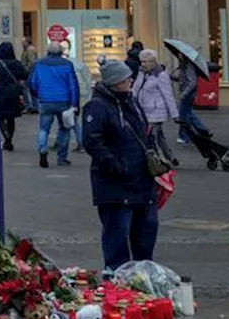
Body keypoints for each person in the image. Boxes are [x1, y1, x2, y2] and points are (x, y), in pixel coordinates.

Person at [82, 59, 159, 273]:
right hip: (115, 184)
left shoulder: (131, 102)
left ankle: (143, 279)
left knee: (146, 235)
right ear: (115, 82)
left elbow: (144, 135)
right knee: (117, 236)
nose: (131, 80)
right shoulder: (97, 107)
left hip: (142, 180)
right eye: (126, 78)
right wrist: (116, 165)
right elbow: (92, 141)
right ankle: (116, 280)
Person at [28, 42, 80, 168]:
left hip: (46, 100)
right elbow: (73, 86)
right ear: (60, 51)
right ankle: (62, 158)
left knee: (44, 129)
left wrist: (38, 95)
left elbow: (32, 82)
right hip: (64, 101)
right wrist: (75, 104)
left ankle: (43, 150)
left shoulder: (39, 64)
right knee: (65, 129)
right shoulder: (67, 65)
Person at [133, 49, 180, 166]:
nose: (142, 64)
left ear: (153, 62)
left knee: (151, 136)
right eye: (141, 61)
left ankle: (158, 160)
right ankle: (170, 157)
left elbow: (168, 95)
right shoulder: (143, 73)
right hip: (145, 111)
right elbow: (136, 89)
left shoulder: (161, 75)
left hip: (156, 112)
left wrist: (175, 115)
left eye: (145, 62)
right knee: (159, 137)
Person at [0, 42, 29, 151]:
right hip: (14, 94)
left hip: (1, 94)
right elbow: (25, 75)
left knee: (1, 118)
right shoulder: (17, 64)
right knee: (11, 118)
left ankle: (6, 137)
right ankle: (9, 139)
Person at [173, 53, 211, 144]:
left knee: (183, 116)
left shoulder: (189, 66)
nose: (178, 56)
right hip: (187, 93)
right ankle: (203, 131)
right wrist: (174, 77)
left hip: (188, 94)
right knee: (189, 114)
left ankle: (185, 136)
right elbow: (184, 78)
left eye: (180, 54)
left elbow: (192, 82)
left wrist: (184, 93)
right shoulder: (184, 65)